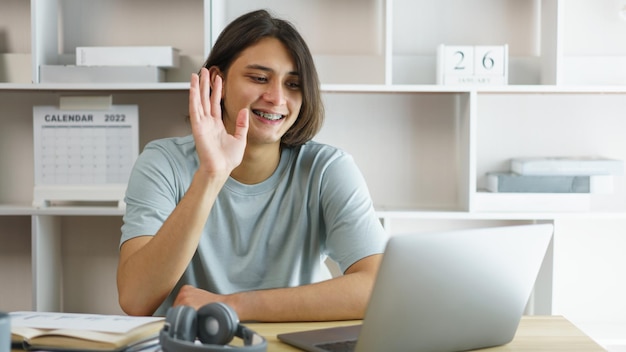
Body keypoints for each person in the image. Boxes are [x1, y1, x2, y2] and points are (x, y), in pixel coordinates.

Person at [116, 9, 387, 321]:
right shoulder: (163, 163)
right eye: (259, 78)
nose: (276, 97)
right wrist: (211, 175)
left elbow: (375, 288)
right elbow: (136, 299)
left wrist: (233, 306)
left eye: (293, 84)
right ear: (217, 80)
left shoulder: (327, 169)